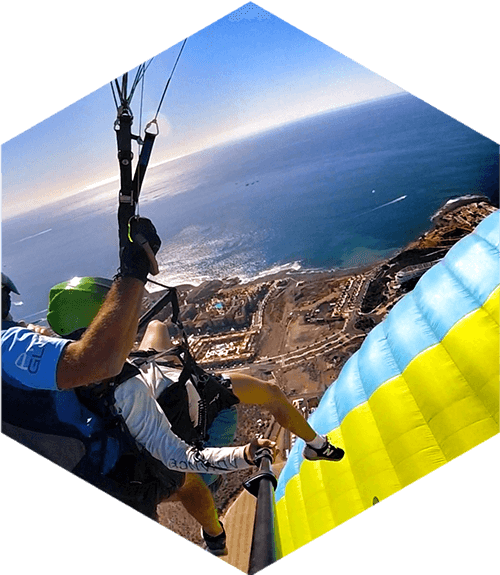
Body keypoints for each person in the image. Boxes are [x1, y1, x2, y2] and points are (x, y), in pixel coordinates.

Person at [1, 220, 274, 555]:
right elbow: (101, 361)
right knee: (185, 478)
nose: (20, 323)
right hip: (116, 476)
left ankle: (215, 535)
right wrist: (133, 270)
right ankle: (215, 536)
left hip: (101, 467)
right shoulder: (10, 345)